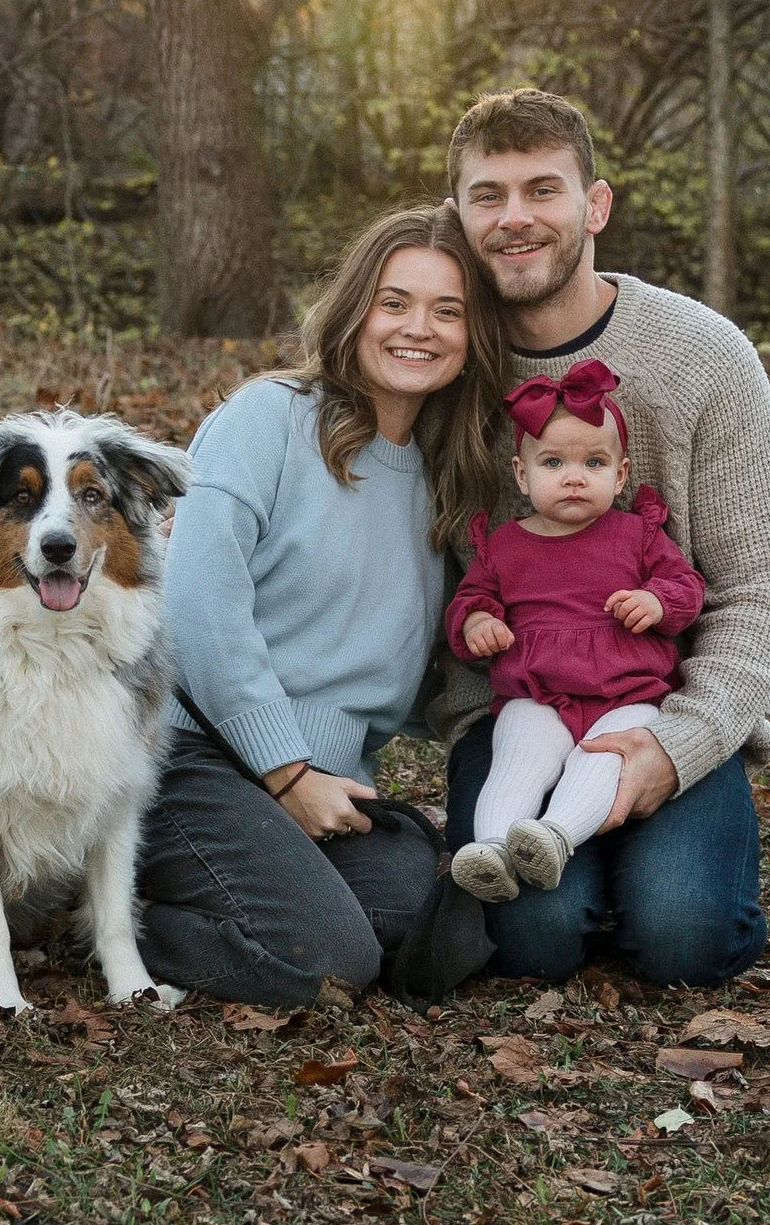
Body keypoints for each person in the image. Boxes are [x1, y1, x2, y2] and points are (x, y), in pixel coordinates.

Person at [435, 87, 770, 988]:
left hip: (656, 700)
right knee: (533, 944)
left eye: (542, 190)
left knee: (684, 940)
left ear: (594, 206)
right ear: (459, 216)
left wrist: (683, 744)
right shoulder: (439, 360)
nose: (515, 218)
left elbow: (758, 586)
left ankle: (664, 868)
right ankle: (577, 882)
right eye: (489, 195)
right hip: (519, 708)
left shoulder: (703, 354)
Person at [137, 205, 509, 1006]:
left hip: (331, 779)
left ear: (475, 334)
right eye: (395, 301)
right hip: (190, 757)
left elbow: (401, 652)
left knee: (415, 924)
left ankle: (262, 890)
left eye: (449, 310)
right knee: (326, 959)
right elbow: (198, 612)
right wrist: (285, 771)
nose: (421, 328)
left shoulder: (452, 476)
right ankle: (114, 919)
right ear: (354, 310)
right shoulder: (267, 418)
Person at [445, 359, 706, 902]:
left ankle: (555, 836)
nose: (573, 476)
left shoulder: (636, 535)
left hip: (627, 694)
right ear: (522, 474)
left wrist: (656, 602)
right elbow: (470, 598)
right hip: (538, 692)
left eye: (594, 462)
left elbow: (686, 586)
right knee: (518, 751)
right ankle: (491, 850)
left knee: (607, 758)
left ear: (621, 473)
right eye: (553, 462)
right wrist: (478, 621)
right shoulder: (505, 546)